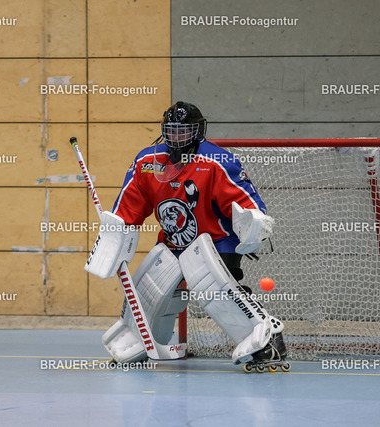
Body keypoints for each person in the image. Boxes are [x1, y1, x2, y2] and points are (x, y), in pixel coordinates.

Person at [85, 101, 289, 372]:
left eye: (183, 131)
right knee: (149, 291)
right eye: (171, 131)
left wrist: (253, 221)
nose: (176, 137)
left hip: (216, 241)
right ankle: (136, 341)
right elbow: (128, 206)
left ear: (198, 131)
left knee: (217, 292)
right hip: (173, 242)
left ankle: (267, 339)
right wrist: (115, 235)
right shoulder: (147, 162)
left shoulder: (216, 161)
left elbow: (243, 199)